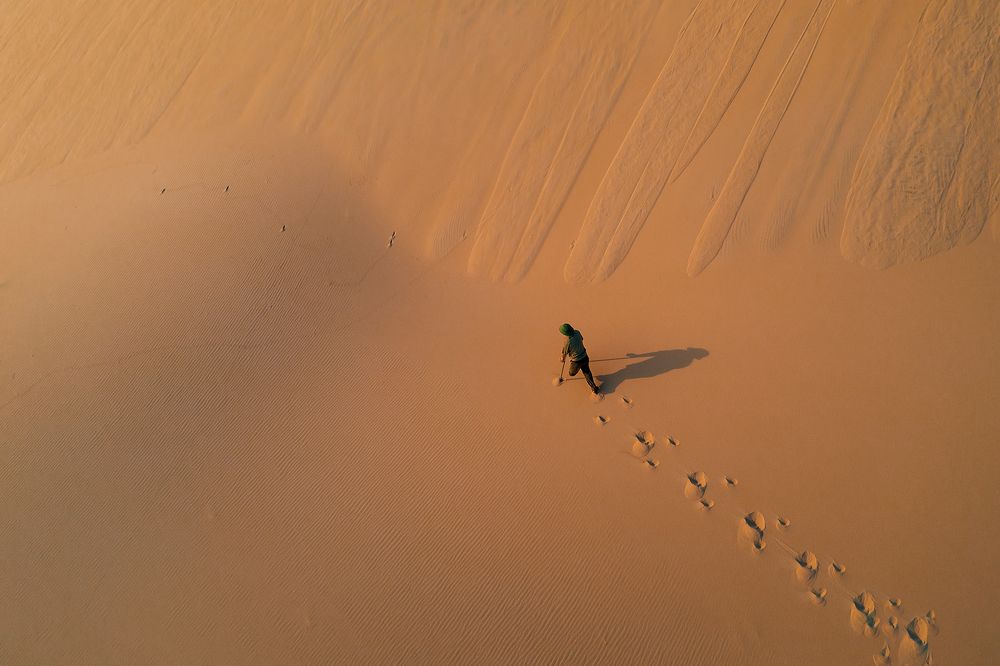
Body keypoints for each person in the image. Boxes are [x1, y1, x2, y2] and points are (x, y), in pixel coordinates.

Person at [559, 323, 600, 394]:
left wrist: (562, 359)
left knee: (571, 373)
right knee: (587, 372)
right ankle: (594, 387)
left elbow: (564, 353)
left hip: (576, 361)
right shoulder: (577, 332)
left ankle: (580, 368)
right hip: (585, 356)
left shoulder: (567, 342)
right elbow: (582, 339)